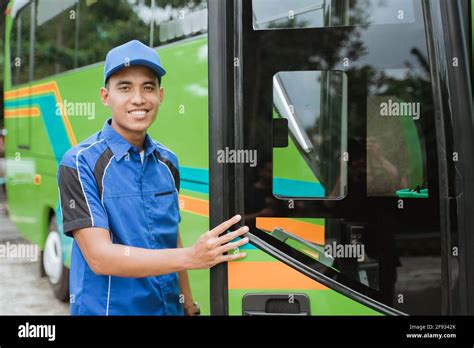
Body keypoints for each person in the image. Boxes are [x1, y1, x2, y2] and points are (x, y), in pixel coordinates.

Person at [57, 40, 249, 316]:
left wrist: (188, 305)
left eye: (148, 87)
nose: (139, 99)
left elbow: (172, 235)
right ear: (105, 96)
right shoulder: (79, 162)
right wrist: (192, 257)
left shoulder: (168, 162)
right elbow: (100, 257)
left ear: (160, 95)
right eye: (125, 87)